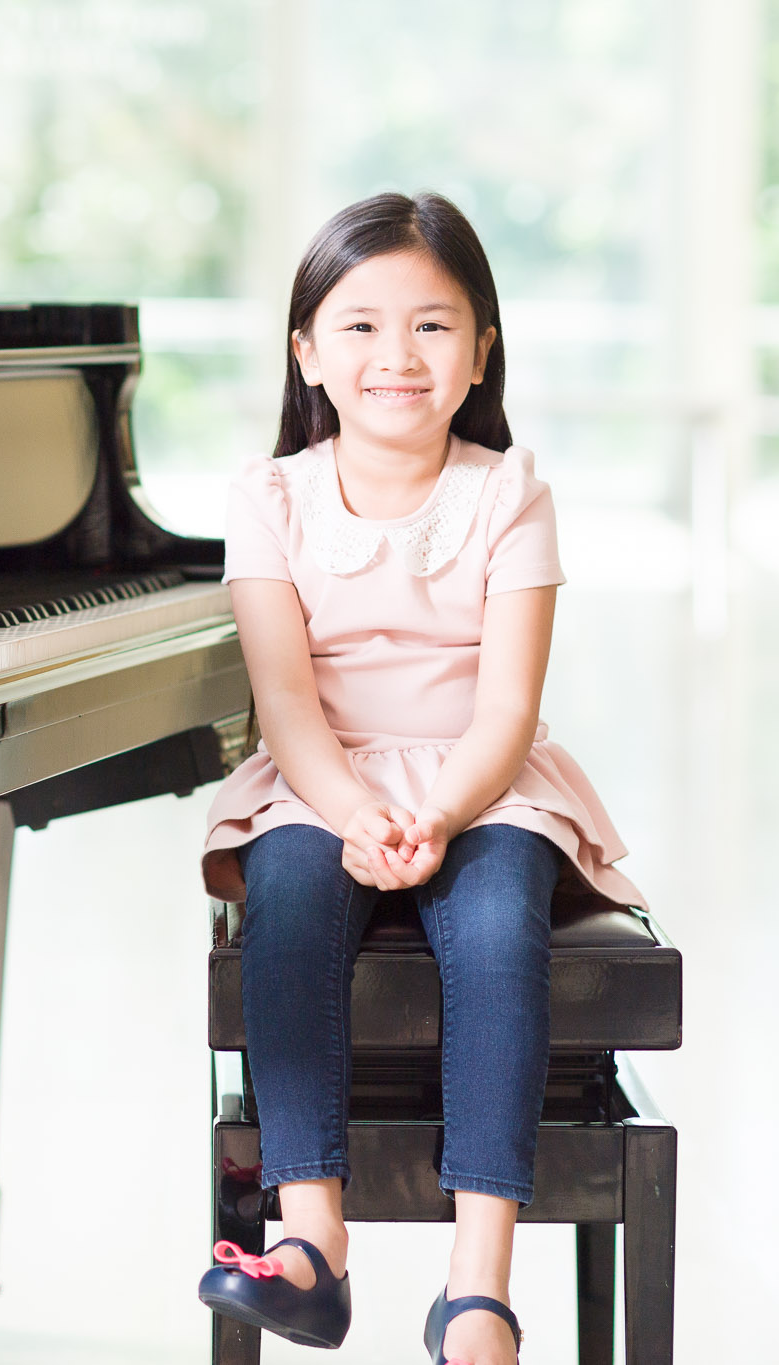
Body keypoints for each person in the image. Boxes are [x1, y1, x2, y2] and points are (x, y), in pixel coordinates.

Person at [193, 192, 645, 1365]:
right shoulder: (269, 497)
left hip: (484, 780)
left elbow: (507, 707)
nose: (396, 356)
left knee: (496, 924)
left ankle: (475, 1284)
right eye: (358, 327)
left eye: (433, 326)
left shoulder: (508, 496)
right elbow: (285, 701)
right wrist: (352, 812)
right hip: (319, 778)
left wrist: (437, 813)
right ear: (304, 352)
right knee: (285, 905)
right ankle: (311, 1246)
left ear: (482, 347)